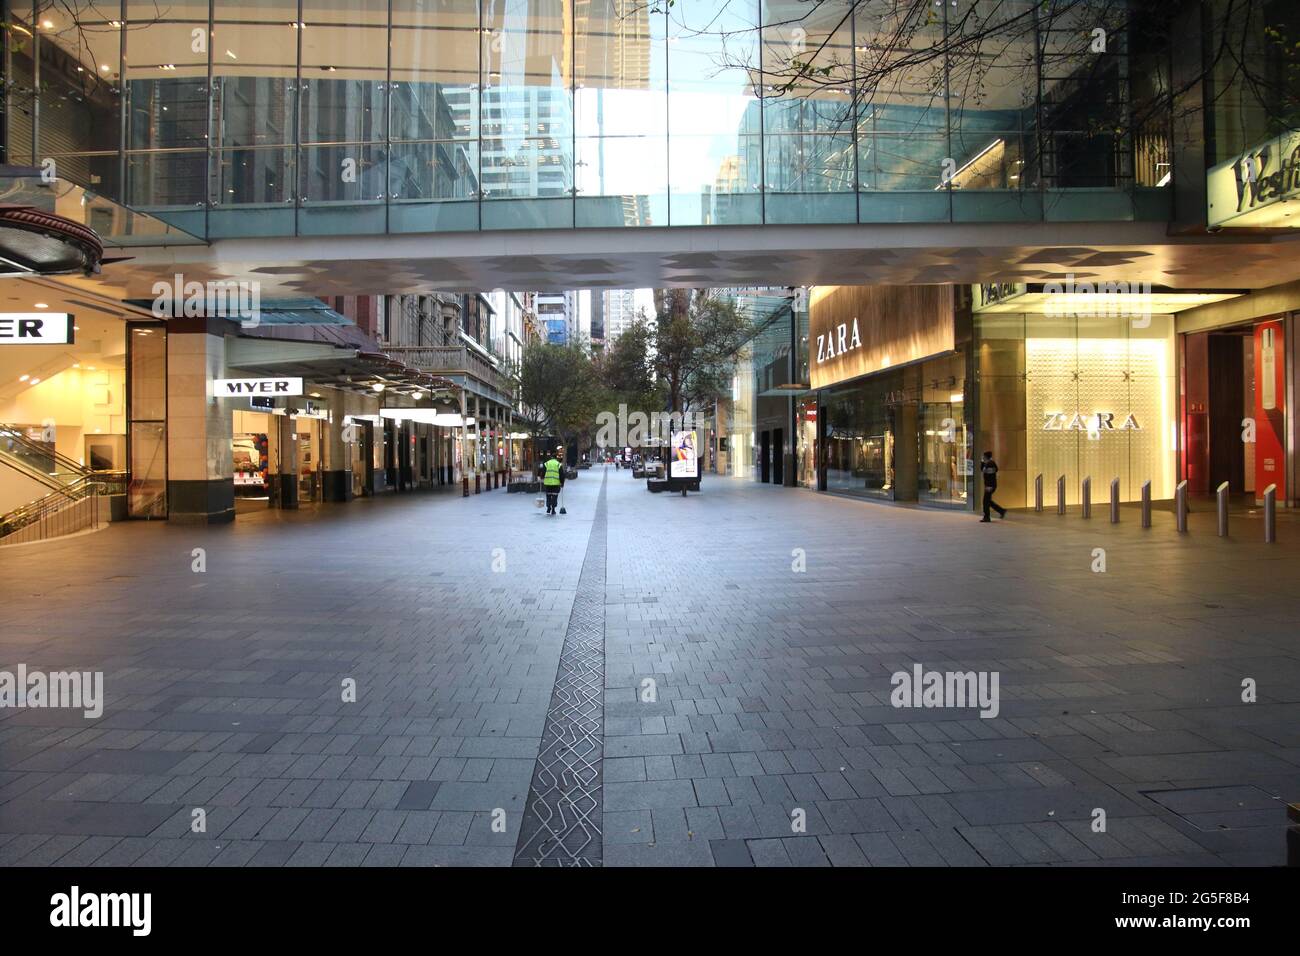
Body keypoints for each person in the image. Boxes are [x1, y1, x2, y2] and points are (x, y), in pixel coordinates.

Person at [979, 450, 1006, 522]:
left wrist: (989, 486)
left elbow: (990, 476)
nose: (983, 457)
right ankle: (1001, 511)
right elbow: (982, 470)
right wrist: (982, 462)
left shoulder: (990, 464)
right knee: (988, 501)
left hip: (990, 485)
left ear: (986, 457)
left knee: (985, 501)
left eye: (983, 456)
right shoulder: (988, 463)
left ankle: (987, 517)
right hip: (989, 485)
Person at [541, 450, 565, 515]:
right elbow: (561, 474)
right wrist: (562, 483)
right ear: (556, 458)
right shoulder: (558, 464)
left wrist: (542, 477)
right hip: (556, 484)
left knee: (548, 496)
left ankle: (548, 507)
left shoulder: (547, 463)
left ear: (551, 457)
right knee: (554, 496)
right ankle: (553, 509)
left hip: (548, 483)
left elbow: (543, 472)